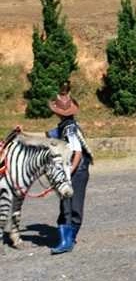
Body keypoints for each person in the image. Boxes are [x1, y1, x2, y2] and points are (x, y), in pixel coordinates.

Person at [48, 82, 93, 255]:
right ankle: (66, 238)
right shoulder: (62, 127)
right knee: (65, 204)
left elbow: (78, 154)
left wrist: (68, 173)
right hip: (71, 171)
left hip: (77, 172)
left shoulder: (70, 128)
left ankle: (68, 240)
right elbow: (47, 137)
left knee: (72, 205)